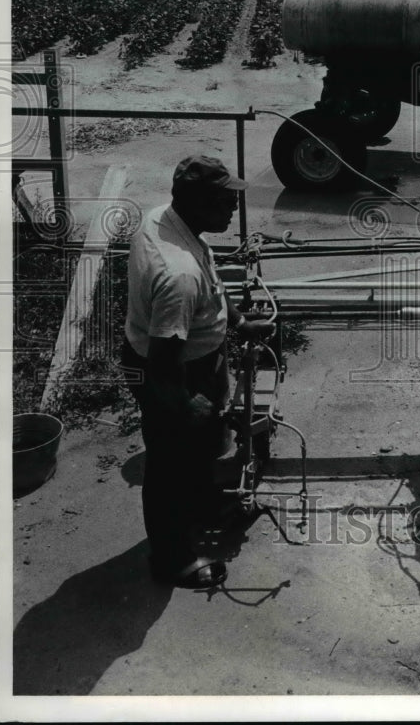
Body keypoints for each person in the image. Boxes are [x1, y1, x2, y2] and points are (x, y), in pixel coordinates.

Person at [121, 155, 272, 589]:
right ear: (200, 203)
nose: (233, 210)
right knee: (170, 465)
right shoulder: (178, 275)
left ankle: (200, 506)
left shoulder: (166, 221)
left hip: (186, 357)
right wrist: (186, 402)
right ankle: (172, 560)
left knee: (197, 449)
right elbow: (164, 363)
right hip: (172, 369)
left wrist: (239, 322)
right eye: (225, 202)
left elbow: (212, 281)